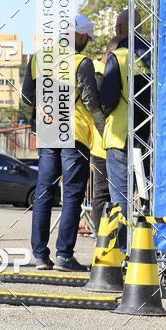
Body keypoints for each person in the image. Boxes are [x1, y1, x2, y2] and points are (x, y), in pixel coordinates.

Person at [21, 14, 105, 271]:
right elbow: (91, 102)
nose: (86, 42)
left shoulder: (38, 57)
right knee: (71, 194)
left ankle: (39, 256)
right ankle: (64, 256)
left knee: (44, 191)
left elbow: (26, 96)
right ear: (79, 35)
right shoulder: (82, 62)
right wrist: (104, 128)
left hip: (47, 132)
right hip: (75, 134)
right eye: (85, 38)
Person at [100, 9, 151, 248]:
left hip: (120, 137)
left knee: (120, 196)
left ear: (120, 29)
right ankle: (147, 250)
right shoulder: (154, 56)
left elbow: (107, 99)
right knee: (146, 195)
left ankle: (121, 251)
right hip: (148, 139)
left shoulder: (118, 57)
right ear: (139, 28)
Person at [89, 40, 118, 232]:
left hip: (100, 143)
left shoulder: (92, 70)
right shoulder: (101, 75)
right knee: (105, 193)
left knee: (103, 193)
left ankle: (102, 234)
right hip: (105, 143)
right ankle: (103, 234)